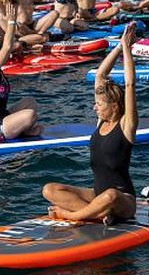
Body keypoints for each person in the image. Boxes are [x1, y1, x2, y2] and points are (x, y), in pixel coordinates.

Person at [42, 23, 138, 223]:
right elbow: (100, 76)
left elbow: (129, 84)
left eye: (99, 104)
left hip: (123, 200)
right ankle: (99, 213)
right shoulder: (100, 122)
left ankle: (73, 215)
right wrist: (119, 46)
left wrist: (128, 51)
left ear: (114, 106)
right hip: (96, 195)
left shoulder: (126, 125)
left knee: (110, 195)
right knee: (49, 190)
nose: (95, 108)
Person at [0, 3, 42, 142]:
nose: (8, 55)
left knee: (30, 102)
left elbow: (6, 48)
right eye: (4, 54)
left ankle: (23, 130)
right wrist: (11, 21)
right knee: (30, 115)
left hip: (1, 117)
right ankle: (25, 131)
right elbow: (6, 47)